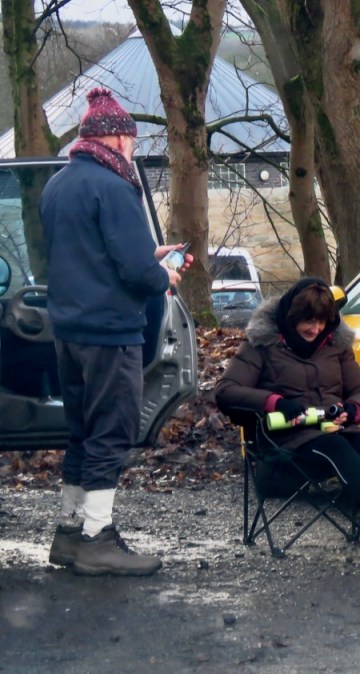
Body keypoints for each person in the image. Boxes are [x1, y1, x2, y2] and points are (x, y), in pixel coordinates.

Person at [41, 86, 192, 576]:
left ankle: (68, 533)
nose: (133, 146)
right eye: (131, 137)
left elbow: (90, 255)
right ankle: (97, 537)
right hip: (110, 333)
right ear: (117, 140)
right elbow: (133, 273)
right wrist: (163, 274)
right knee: (112, 432)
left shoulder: (58, 186)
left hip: (69, 330)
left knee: (81, 432)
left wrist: (149, 255)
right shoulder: (114, 186)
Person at [214, 278, 360, 566]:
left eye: (321, 322)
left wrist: (352, 410)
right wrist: (274, 402)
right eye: (308, 321)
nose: (315, 329)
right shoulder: (263, 344)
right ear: (291, 317)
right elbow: (226, 391)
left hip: (333, 428)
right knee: (334, 446)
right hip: (284, 441)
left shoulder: (336, 345)